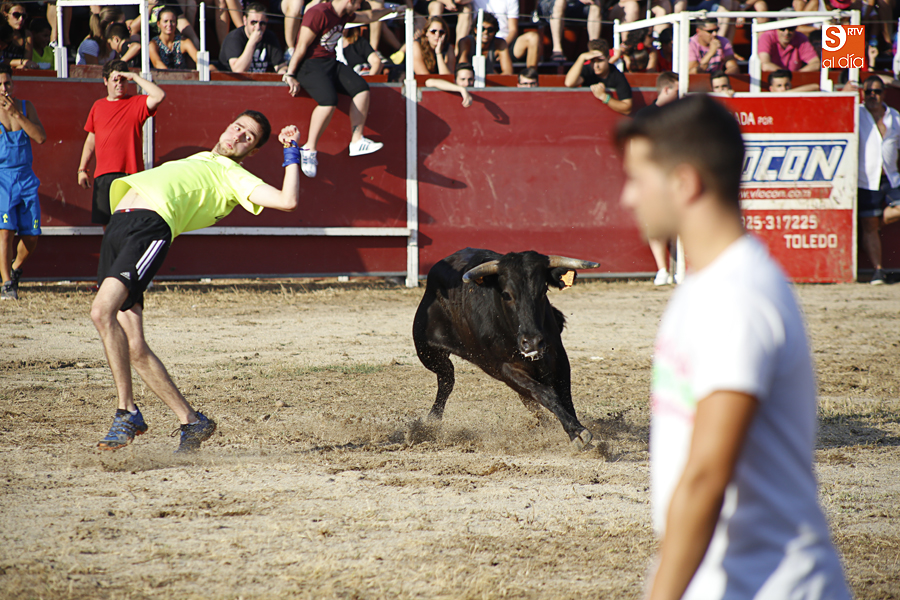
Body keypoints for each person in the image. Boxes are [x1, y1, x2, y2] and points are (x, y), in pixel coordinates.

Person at [616, 93, 852, 600]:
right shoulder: (707, 286)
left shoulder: (736, 296)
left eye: (637, 180)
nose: (627, 199)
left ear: (684, 182)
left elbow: (706, 475)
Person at [92, 112, 302, 452]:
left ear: (252, 151)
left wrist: (293, 151)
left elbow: (288, 201)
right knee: (133, 346)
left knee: (102, 313)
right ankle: (192, 421)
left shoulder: (234, 175)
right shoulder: (204, 158)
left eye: (248, 137)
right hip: (119, 226)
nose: (238, 135)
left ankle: (126, 411)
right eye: (237, 126)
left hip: (148, 228)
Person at [283, 0, 396, 178]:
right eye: (358, 2)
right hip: (309, 65)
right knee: (328, 101)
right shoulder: (318, 12)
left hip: (329, 62)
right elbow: (301, 46)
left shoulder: (344, 14)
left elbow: (368, 16)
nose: (359, 7)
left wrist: (393, 10)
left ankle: (357, 140)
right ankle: (309, 148)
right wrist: (290, 74)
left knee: (361, 88)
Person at [78, 60, 166, 228]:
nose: (119, 84)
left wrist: (134, 76)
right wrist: (82, 169)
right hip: (104, 175)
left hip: (131, 175)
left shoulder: (136, 103)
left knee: (130, 225)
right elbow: (91, 139)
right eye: (115, 80)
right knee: (107, 226)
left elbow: (159, 96)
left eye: (123, 80)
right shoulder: (98, 106)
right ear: (105, 81)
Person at [0, 63, 46, 300]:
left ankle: (15, 270)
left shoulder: (26, 107)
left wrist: (16, 114)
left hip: (26, 177)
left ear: (13, 84)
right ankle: (7, 282)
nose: (3, 88)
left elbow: (40, 137)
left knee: (31, 234)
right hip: (3, 177)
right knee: (5, 231)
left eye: (7, 83)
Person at [636, 71, 679, 286]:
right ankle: (662, 269)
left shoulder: (683, 114)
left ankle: (680, 268)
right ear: (667, 89)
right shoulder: (644, 116)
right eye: (678, 91)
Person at [857, 75, 900, 284]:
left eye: (877, 91)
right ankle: (878, 270)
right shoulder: (856, 113)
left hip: (891, 177)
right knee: (869, 224)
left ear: (884, 93)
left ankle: (869, 226)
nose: (872, 96)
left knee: (870, 224)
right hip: (866, 179)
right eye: (868, 92)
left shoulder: (895, 116)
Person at [564, 39, 633, 116]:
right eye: (593, 61)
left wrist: (604, 97)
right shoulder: (587, 70)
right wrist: (581, 57)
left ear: (608, 58)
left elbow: (627, 108)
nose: (596, 65)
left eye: (600, 60)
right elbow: (569, 83)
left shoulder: (616, 75)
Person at [470, 0, 543, 68]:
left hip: (506, 42)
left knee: (533, 37)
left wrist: (501, 47)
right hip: (480, 43)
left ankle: (530, 77)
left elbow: (513, 30)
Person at [219, 3, 287, 73]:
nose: (258, 27)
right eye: (253, 22)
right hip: (232, 82)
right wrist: (252, 42)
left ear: (266, 21)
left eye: (262, 23)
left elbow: (280, 65)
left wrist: (284, 72)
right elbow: (238, 70)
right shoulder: (234, 38)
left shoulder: (270, 36)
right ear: (245, 20)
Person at [150, 6, 200, 70]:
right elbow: (157, 63)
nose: (169, 24)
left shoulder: (184, 42)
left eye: (172, 21)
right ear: (158, 24)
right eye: (165, 21)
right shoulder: (153, 44)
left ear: (176, 24)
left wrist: (210, 67)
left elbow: (198, 59)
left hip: (183, 78)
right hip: (162, 78)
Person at [1, 1, 34, 68]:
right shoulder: (1, 33)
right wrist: (21, 62)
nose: (21, 19)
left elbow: (28, 61)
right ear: (5, 14)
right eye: (16, 15)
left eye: (24, 16)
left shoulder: (27, 35)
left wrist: (21, 64)